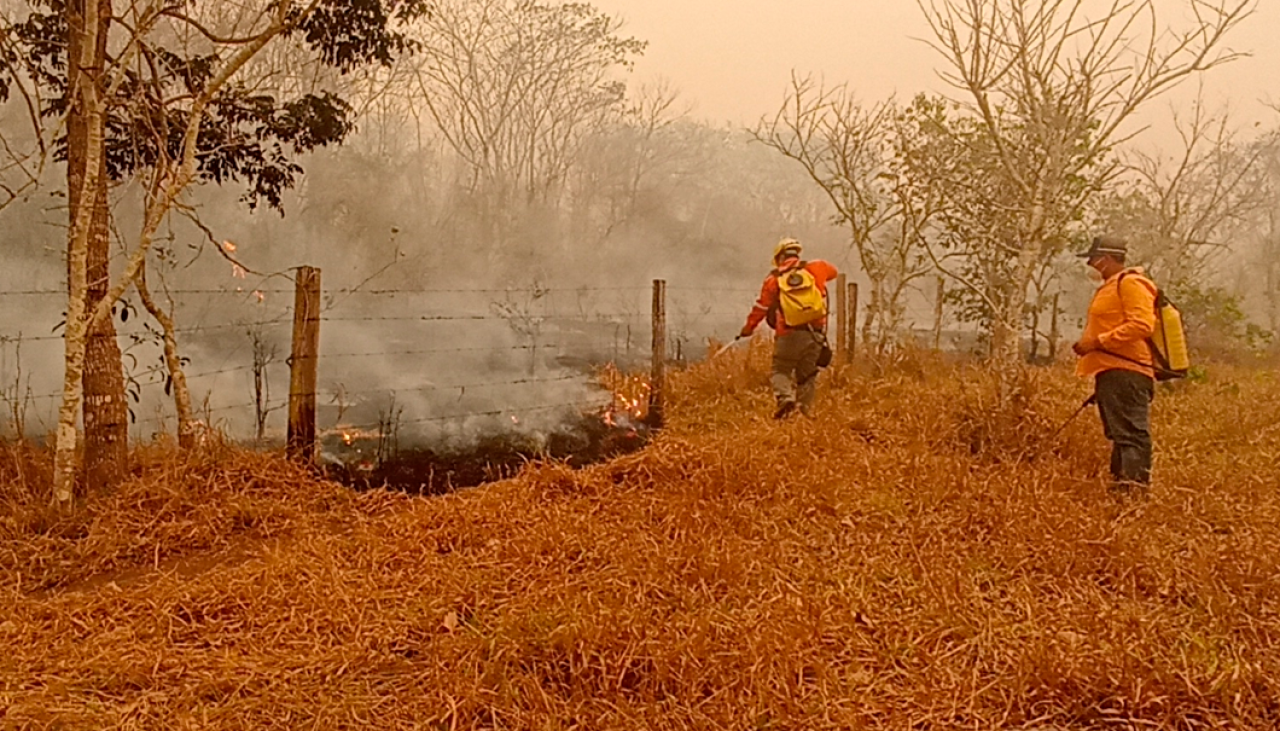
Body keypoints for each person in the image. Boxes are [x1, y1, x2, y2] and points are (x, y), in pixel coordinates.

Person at [1072, 236, 1158, 493]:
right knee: (1121, 436)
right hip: (1112, 371)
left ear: (1106, 258)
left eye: (1093, 259)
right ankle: (1121, 493)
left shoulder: (1130, 284)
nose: (1091, 264)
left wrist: (1098, 342)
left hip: (1127, 371)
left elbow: (1142, 325)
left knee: (1131, 436)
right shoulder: (1111, 286)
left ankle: (1133, 495)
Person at [739, 238, 838, 419]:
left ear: (779, 257)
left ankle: (785, 399)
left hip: (788, 333)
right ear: (797, 254)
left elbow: (761, 308)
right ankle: (804, 415)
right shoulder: (816, 267)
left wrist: (748, 329)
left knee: (780, 370)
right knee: (807, 376)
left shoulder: (774, 279)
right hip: (814, 334)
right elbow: (834, 273)